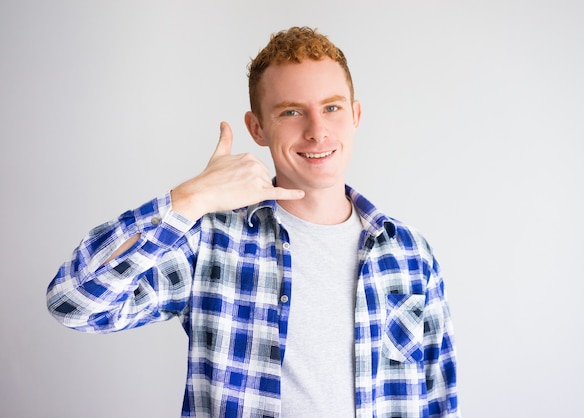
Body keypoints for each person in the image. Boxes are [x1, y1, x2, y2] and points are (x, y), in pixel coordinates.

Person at [46, 26, 460, 417]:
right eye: (292, 112)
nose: (317, 131)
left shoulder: (409, 253)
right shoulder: (210, 241)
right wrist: (190, 197)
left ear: (354, 115)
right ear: (257, 128)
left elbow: (439, 397)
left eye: (331, 108)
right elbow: (75, 302)